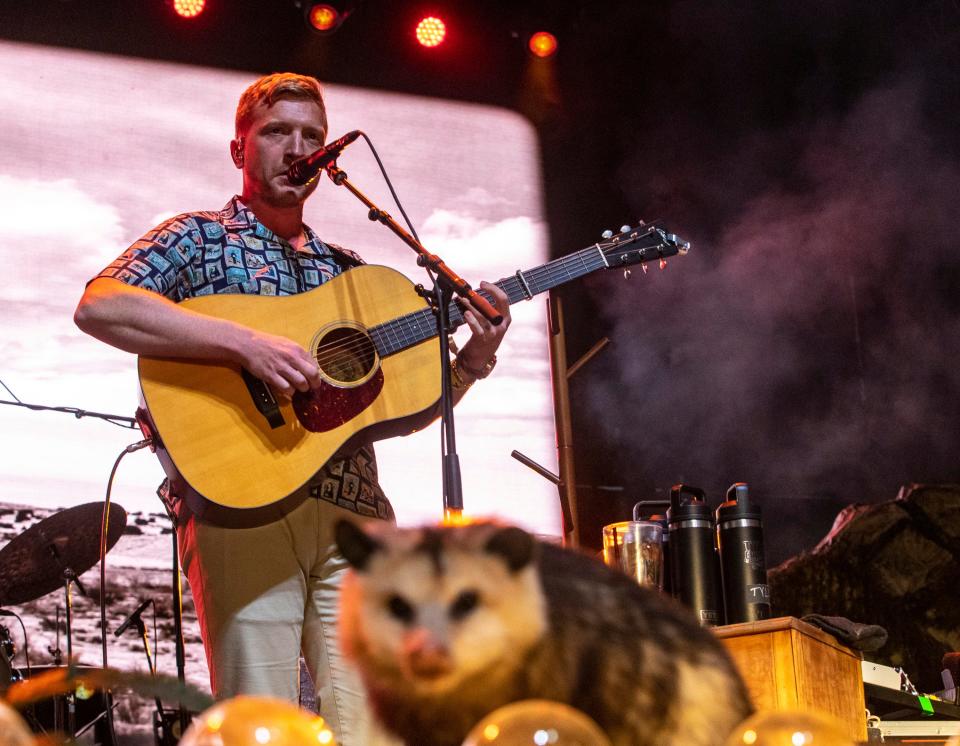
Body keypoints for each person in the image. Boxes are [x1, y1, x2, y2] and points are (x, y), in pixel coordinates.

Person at [74, 72, 511, 744]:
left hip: (355, 518)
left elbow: (398, 407)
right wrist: (243, 343)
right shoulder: (197, 238)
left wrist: (473, 361)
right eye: (278, 132)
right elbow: (102, 304)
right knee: (260, 728)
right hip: (242, 509)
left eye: (312, 136)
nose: (297, 147)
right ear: (239, 149)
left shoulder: (352, 272)